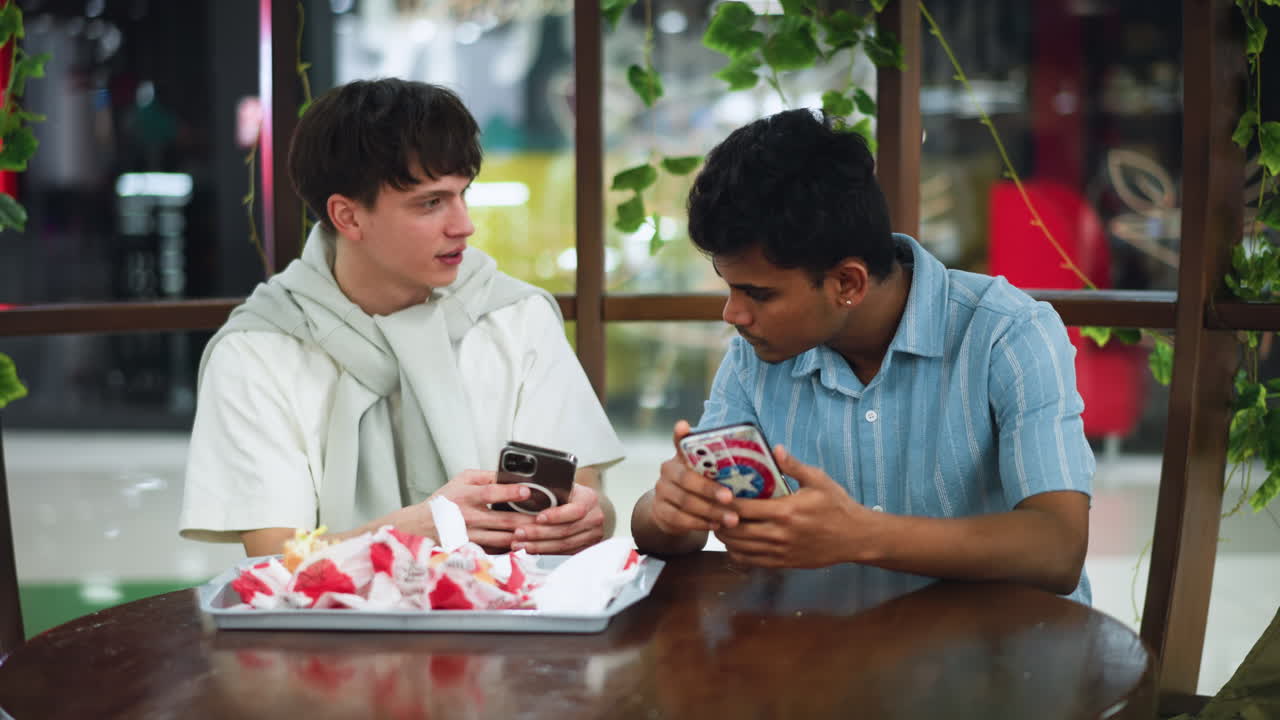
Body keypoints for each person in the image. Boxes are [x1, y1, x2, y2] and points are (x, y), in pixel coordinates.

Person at [631, 109, 1094, 602]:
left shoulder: (1008, 333)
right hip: (823, 655)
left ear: (847, 283)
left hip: (997, 660)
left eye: (758, 294)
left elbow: (1058, 547)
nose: (732, 314)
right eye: (729, 288)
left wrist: (860, 536)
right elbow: (666, 527)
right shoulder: (756, 356)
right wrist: (668, 509)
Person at [180, 79, 624, 558]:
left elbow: (590, 495)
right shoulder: (256, 349)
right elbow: (275, 558)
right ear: (347, 217)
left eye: (462, 194)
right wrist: (413, 534)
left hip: (515, 618)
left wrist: (583, 517)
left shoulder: (516, 316)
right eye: (431, 203)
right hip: (330, 629)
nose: (464, 225)